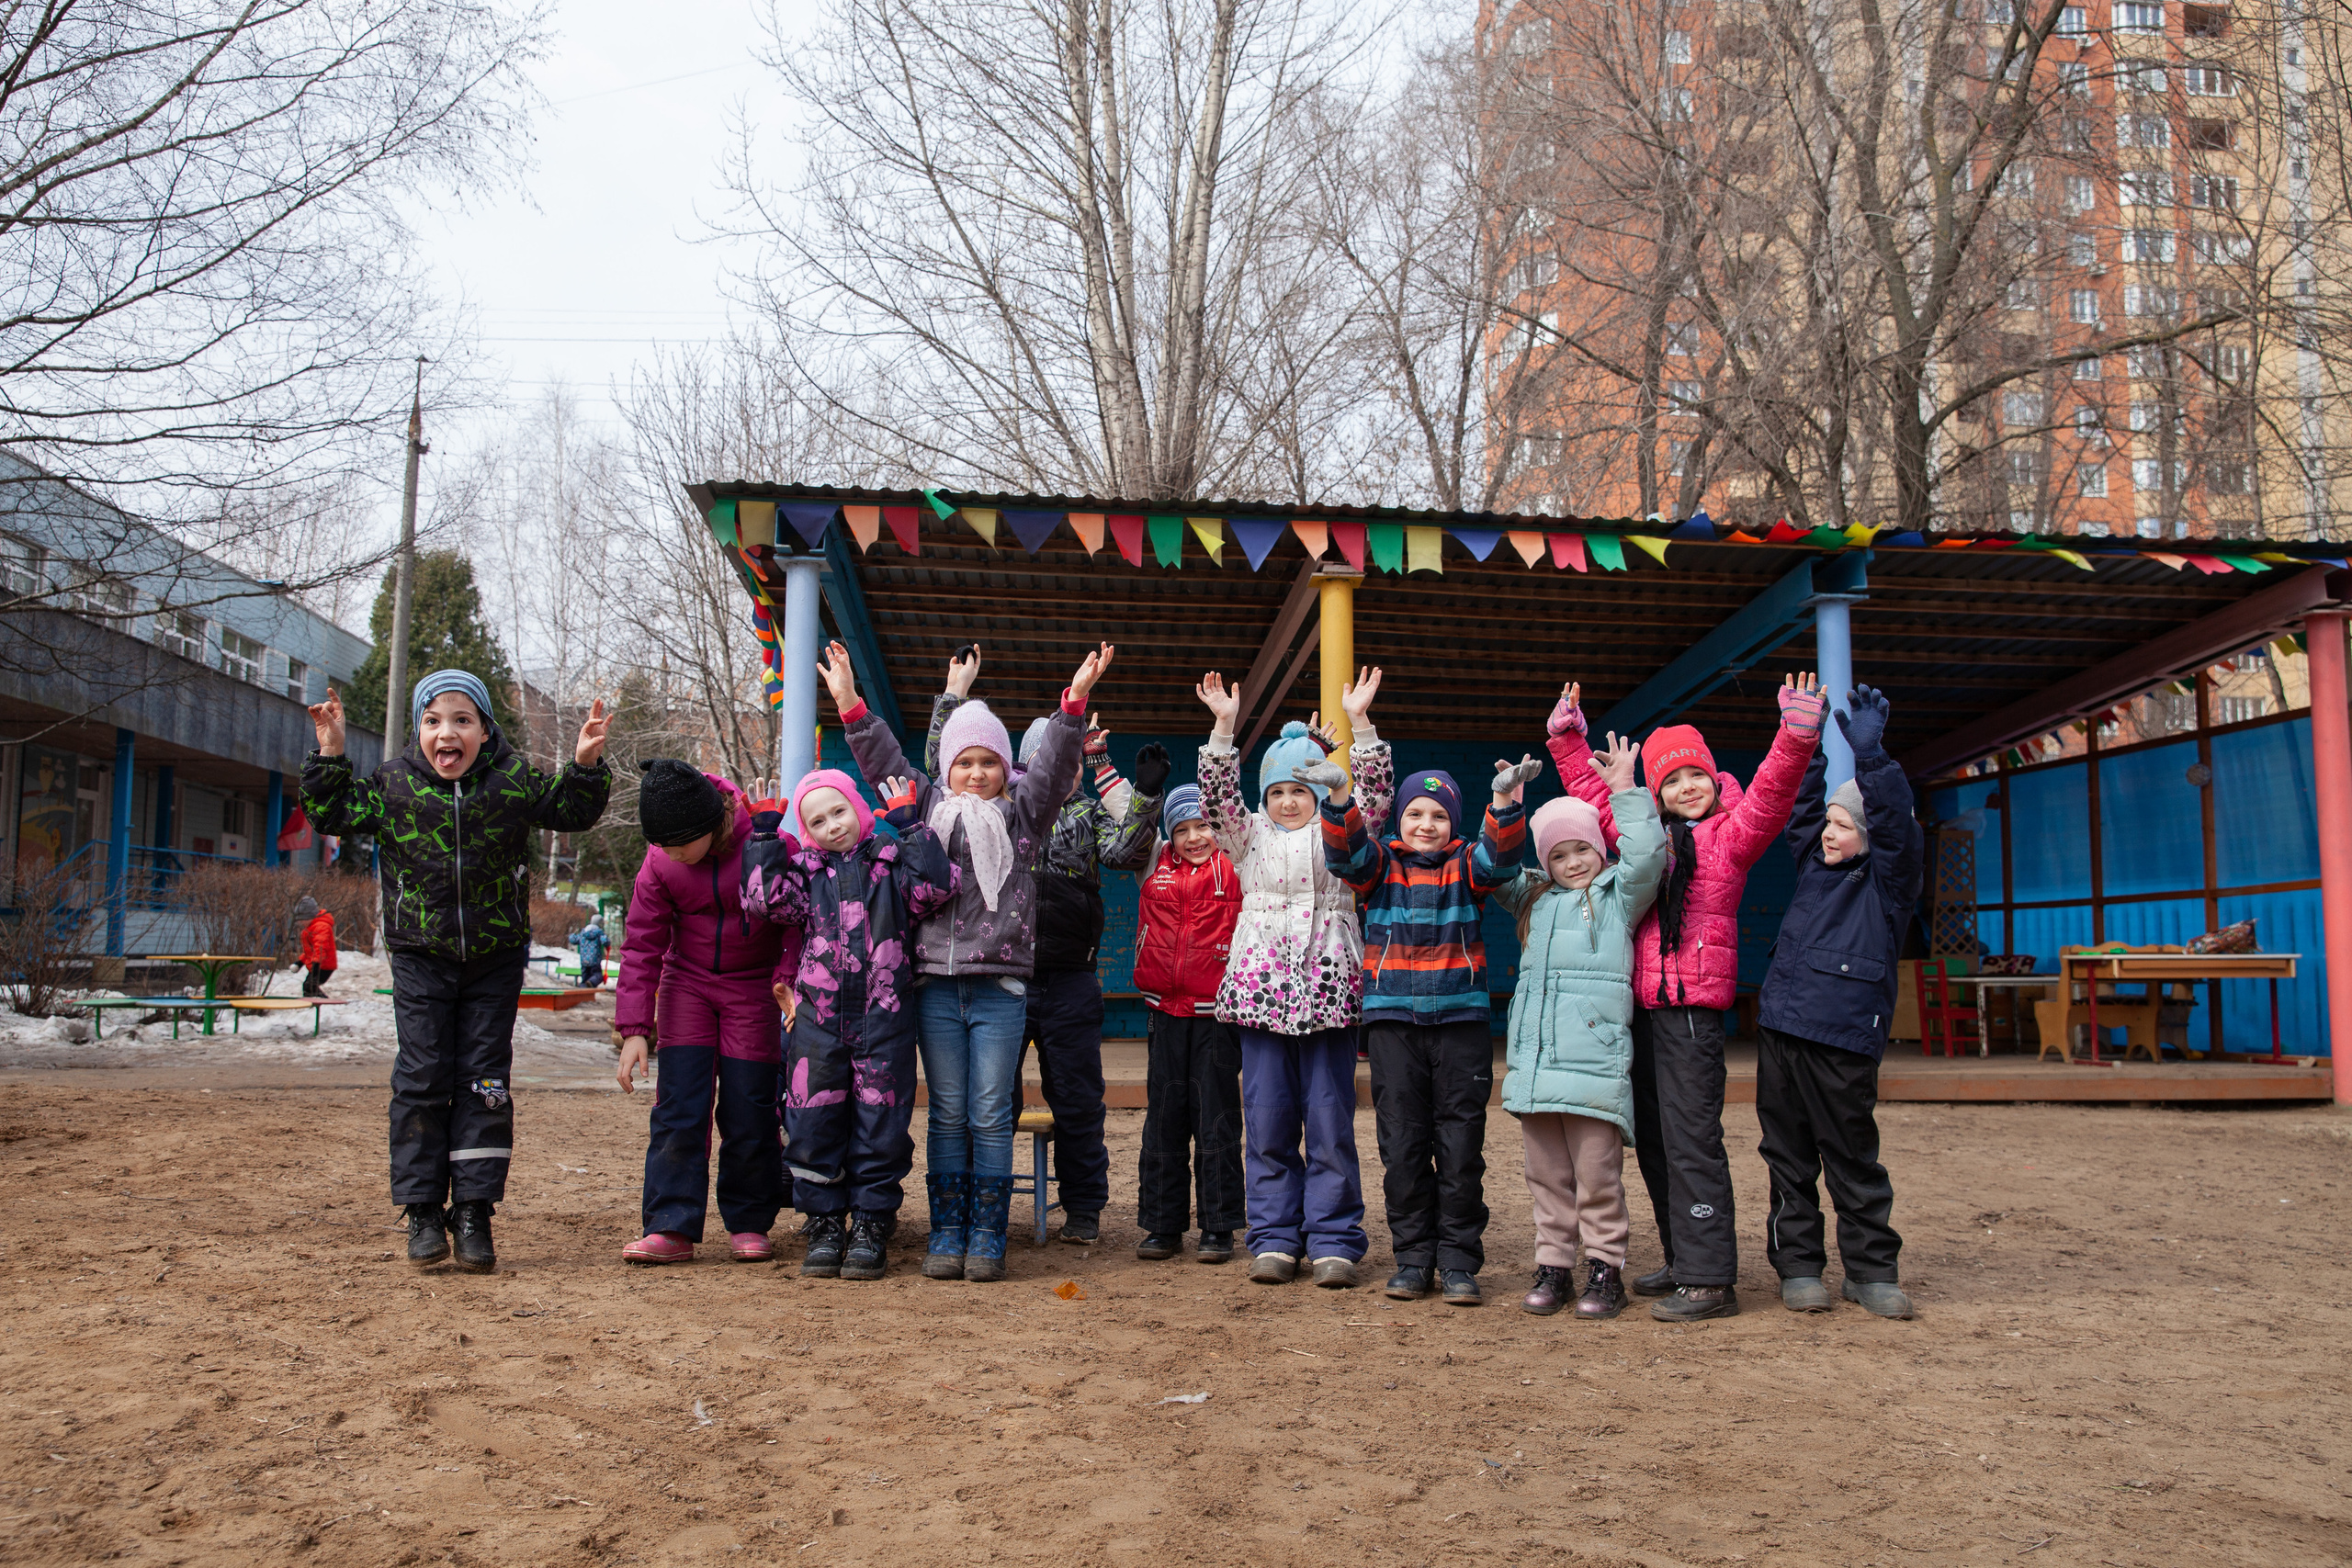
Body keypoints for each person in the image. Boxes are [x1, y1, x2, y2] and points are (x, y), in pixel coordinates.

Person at [301, 672, 612, 1272]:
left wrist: (586, 761)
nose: (448, 731)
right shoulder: (393, 784)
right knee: (421, 1076)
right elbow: (332, 809)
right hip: (420, 955)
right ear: (419, 729)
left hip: (494, 959)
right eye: (434, 720)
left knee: (485, 1082)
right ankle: (422, 1210)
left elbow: (571, 809)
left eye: (462, 719)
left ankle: (473, 1209)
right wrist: (332, 750)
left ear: (485, 729)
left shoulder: (512, 779)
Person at [824, 637, 1111, 1281]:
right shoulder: (927, 809)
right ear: (947, 769)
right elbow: (883, 761)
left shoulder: (1023, 819)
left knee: (989, 1110)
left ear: (1003, 768)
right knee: (949, 1111)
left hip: (999, 989)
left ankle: (988, 1232)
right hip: (935, 988)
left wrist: (1073, 704)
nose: (977, 773)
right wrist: (848, 704)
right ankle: (947, 1229)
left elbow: (1055, 767)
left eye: (988, 762)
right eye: (965, 762)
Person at [1545, 673, 1824, 1321]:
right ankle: (1681, 1254)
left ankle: (1710, 1278)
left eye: (1694, 775)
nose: (1685, 788)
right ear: (1658, 791)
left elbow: (1775, 793)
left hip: (1693, 1012)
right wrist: (1567, 738)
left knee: (1693, 1137)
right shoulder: (1649, 835)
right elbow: (1598, 796)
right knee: (1656, 1138)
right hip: (1641, 1008)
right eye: (1670, 781)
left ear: (1712, 776)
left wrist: (1796, 733)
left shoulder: (1733, 834)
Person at [923, 644, 1167, 1245]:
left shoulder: (1084, 811)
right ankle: (989, 1208)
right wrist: (951, 698)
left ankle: (1083, 1205)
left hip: (1068, 978)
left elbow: (1126, 849)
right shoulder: (999, 812)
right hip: (999, 976)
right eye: (1048, 762)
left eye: (1071, 764)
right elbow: (939, 771)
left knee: (1079, 1099)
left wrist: (1139, 790)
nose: (1060, 773)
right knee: (991, 1102)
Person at [1193, 669, 1393, 1291]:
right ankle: (1276, 1236)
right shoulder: (1245, 837)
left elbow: (1377, 797)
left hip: (1329, 994)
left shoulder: (1343, 832)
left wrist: (1362, 727)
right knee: (1270, 1118)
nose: (1288, 800)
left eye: (1301, 788)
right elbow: (1218, 793)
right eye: (1278, 789)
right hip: (1261, 998)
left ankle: (1334, 1238)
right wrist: (1224, 728)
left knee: (1331, 1121)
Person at [1317, 745, 1532, 1306]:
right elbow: (1344, 855)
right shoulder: (1379, 866)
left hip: (1461, 1022)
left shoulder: (1469, 865)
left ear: (1453, 824)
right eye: (1415, 813)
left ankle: (1459, 1260)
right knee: (1403, 1145)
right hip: (1393, 1024)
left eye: (1438, 816)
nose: (1426, 824)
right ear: (1401, 819)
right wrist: (1340, 799)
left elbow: (1501, 859)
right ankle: (1413, 1259)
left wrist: (1504, 801)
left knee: (1461, 1145)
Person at [738, 767, 955, 1280]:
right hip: (818, 1022)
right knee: (812, 1119)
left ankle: (872, 1224)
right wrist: (765, 839)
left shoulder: (890, 864)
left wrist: (912, 829)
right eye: (817, 821)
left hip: (886, 1018)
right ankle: (825, 1221)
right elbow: (762, 900)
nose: (832, 826)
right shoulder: (804, 873)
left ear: (858, 809)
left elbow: (938, 889)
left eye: (839, 812)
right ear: (807, 832)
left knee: (881, 1123)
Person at [1755, 686, 1924, 1320]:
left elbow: (1892, 821)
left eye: (1843, 824)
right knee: (1788, 1157)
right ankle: (1799, 1265)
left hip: (1844, 1042)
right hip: (1781, 1032)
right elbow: (1801, 805)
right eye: (1829, 821)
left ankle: (1873, 1270)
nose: (1829, 832)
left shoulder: (1888, 883)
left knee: (1852, 1158)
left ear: (1871, 834)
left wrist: (1872, 759)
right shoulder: (1814, 863)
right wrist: (1803, 739)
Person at [1490, 735, 1667, 1320]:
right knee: (1546, 1177)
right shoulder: (1532, 899)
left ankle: (1604, 1268)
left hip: (1594, 1066)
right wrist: (1508, 808)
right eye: (1559, 855)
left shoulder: (1619, 896)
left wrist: (1624, 791)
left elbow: (1648, 856)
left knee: (1597, 1177)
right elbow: (1494, 868)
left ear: (1597, 849)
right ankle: (1554, 1266)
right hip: (1538, 1067)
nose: (1572, 863)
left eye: (1581, 850)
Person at [612, 761, 803, 1266]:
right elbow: (641, 945)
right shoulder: (659, 863)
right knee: (680, 1104)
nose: (670, 855)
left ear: (706, 827)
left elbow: (797, 919)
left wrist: (788, 978)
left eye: (679, 847)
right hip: (687, 986)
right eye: (664, 848)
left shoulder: (767, 843)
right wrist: (635, 1029)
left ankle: (749, 1220)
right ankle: (671, 1224)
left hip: (754, 988)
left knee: (749, 1106)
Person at [1131, 784, 1246, 1264]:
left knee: (1215, 1118)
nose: (1194, 837)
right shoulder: (1152, 864)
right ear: (1169, 837)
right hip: (1165, 1014)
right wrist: (1103, 766)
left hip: (1216, 1015)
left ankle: (1218, 1227)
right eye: (1182, 830)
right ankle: (1163, 1225)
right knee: (1164, 1118)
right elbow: (1128, 816)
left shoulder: (1238, 864)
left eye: (1203, 826)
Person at [295, 896, 336, 998]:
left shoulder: (321, 927)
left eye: (302, 919)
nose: (300, 922)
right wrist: (300, 962)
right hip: (316, 965)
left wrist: (316, 965)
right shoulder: (311, 928)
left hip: (323, 965)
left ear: (310, 917)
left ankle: (321, 1004)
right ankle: (320, 1003)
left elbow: (320, 948)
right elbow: (310, 951)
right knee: (309, 987)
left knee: (309, 986)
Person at [571, 916, 609, 987]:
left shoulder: (583, 933)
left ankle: (583, 994)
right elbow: (605, 941)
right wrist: (607, 941)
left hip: (584, 961)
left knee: (584, 979)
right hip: (595, 960)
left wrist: (572, 935)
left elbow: (574, 940)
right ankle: (591, 982)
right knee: (598, 976)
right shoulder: (599, 933)